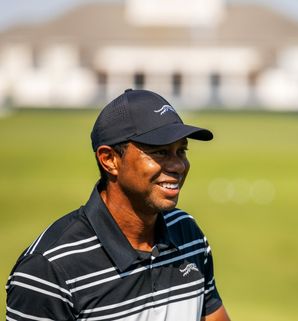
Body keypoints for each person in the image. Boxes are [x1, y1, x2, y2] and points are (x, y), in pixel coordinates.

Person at [6, 89, 231, 321]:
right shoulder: (49, 269)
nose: (178, 166)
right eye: (161, 152)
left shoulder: (187, 233)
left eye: (181, 151)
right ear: (109, 159)